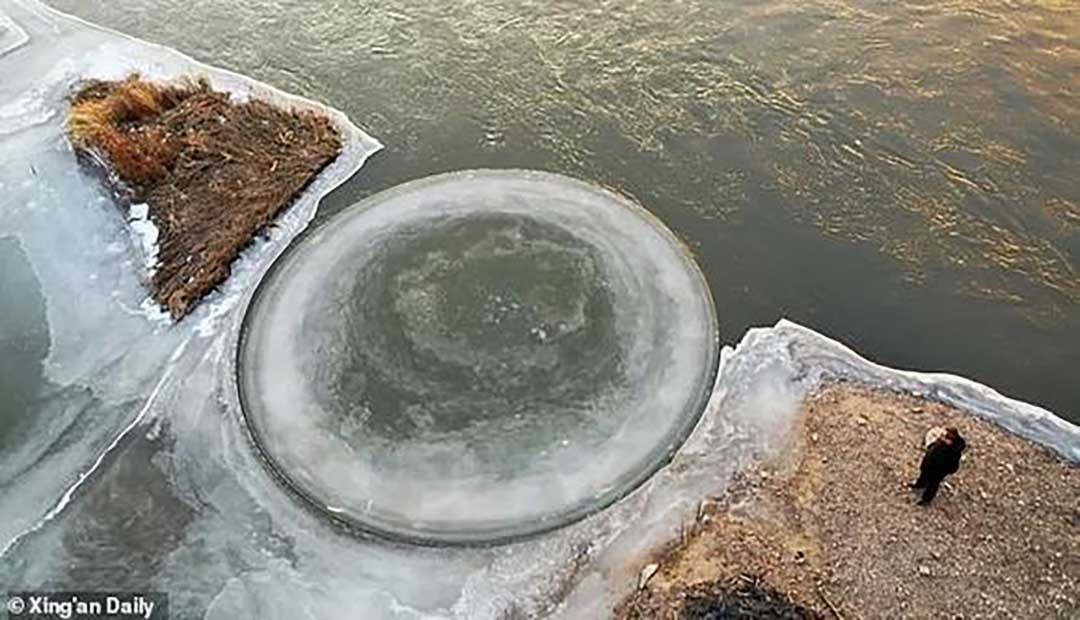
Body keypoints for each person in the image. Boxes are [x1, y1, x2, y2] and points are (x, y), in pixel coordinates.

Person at [909, 426, 966, 505]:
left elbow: (953, 462)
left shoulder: (956, 449)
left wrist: (948, 445)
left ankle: (926, 499)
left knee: (933, 484)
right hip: (931, 462)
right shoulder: (944, 440)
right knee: (924, 475)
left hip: (940, 468)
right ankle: (919, 485)